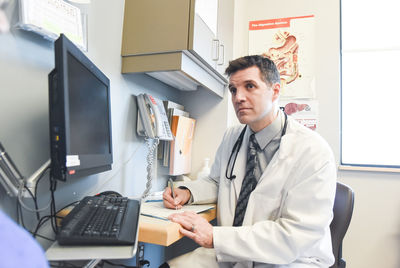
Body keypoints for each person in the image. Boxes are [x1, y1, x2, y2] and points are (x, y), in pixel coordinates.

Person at [162, 55, 337, 268]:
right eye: (234, 90)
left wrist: (215, 237)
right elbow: (218, 182)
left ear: (275, 91)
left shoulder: (312, 151)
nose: (238, 97)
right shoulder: (233, 136)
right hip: (235, 253)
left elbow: (294, 235)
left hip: (292, 259)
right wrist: (187, 192)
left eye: (250, 86)